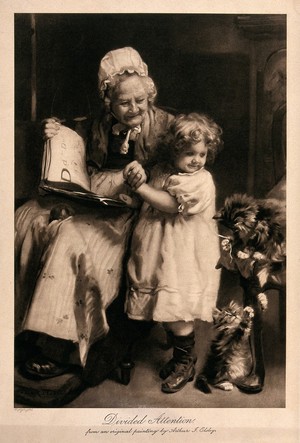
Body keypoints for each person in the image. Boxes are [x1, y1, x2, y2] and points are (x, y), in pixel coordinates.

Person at [15, 47, 174, 385]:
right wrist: (53, 131)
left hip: (135, 208)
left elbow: (182, 171)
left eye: (140, 101)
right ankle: (20, 327)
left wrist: (144, 183)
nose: (133, 109)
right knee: (29, 218)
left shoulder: (168, 127)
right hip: (93, 198)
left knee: (71, 237)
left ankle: (60, 344)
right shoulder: (99, 125)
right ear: (108, 101)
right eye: (123, 103)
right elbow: (74, 155)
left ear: (150, 94)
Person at [124, 113, 223, 393]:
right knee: (166, 309)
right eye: (189, 153)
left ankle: (185, 361)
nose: (197, 159)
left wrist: (141, 189)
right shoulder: (163, 171)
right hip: (161, 251)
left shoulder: (201, 182)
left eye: (202, 153)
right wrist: (138, 187)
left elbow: (169, 203)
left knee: (178, 310)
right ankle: (181, 357)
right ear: (174, 151)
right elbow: (152, 194)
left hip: (184, 257)